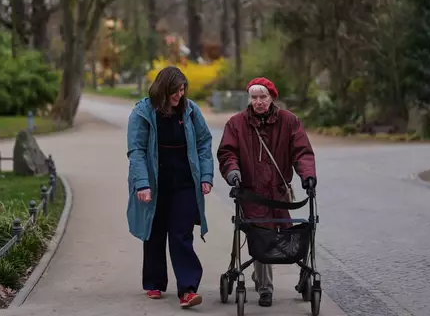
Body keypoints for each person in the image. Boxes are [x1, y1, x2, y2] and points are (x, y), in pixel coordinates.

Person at [216, 77, 317, 307]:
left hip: (280, 195)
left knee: (288, 237)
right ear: (249, 99)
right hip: (252, 195)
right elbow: (227, 153)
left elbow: (302, 152)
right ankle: (265, 288)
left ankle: (279, 275)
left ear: (272, 98)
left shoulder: (289, 122)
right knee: (262, 236)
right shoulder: (236, 124)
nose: (259, 102)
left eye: (263, 97)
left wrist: (307, 175)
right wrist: (233, 173)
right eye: (254, 98)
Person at [126, 66, 214, 309]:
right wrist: (142, 183)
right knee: (154, 233)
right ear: (162, 90)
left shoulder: (190, 111)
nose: (179, 95)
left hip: (185, 183)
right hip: (155, 183)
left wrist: (206, 175)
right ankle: (154, 281)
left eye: (183, 89)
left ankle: (187, 289)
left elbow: (204, 142)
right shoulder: (143, 112)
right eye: (175, 90)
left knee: (181, 234)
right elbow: (137, 151)